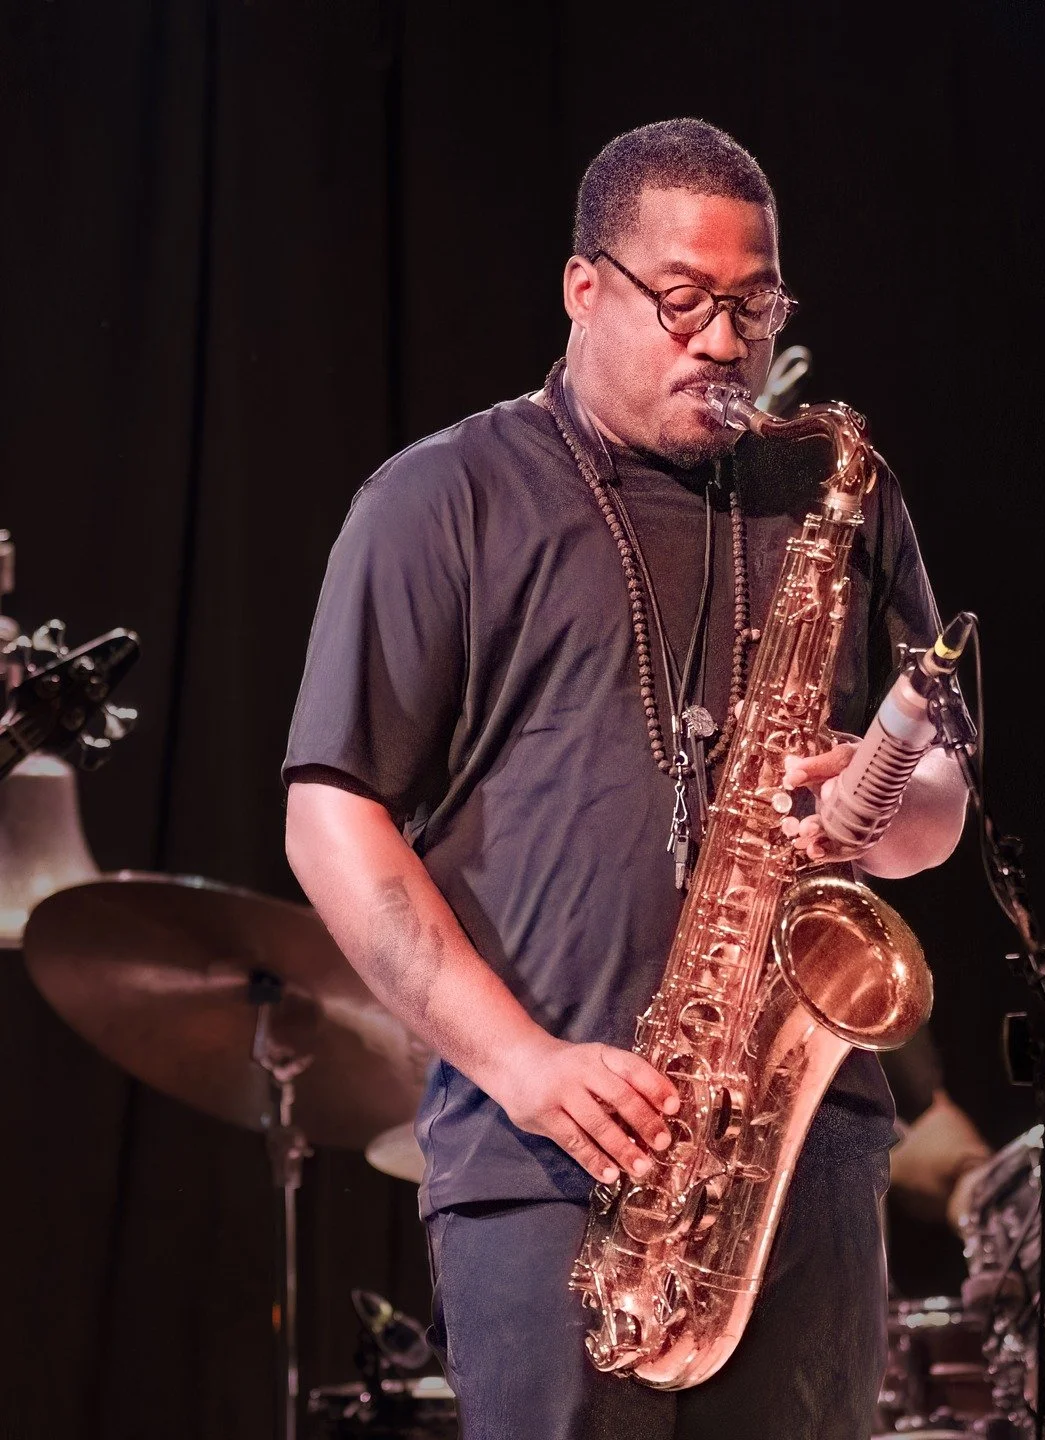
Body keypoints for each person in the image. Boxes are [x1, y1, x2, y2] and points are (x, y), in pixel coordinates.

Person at [284, 118, 967, 1440]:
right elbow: (330, 818)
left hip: (802, 1160)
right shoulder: (440, 501)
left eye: (756, 304)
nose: (726, 341)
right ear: (583, 288)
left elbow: (940, 795)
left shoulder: (836, 490)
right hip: (552, 1156)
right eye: (686, 301)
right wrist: (525, 1064)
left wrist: (880, 798)